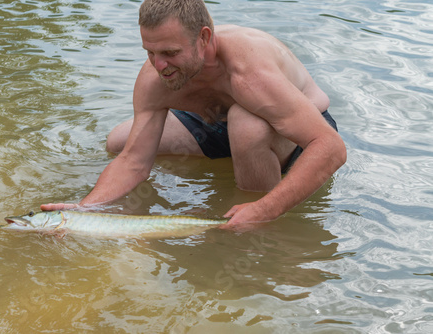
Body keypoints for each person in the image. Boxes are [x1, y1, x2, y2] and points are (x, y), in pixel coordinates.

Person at [41, 0, 346, 230]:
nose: (159, 66)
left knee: (246, 125)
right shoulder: (156, 76)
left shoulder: (249, 73)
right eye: (150, 52)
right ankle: (242, 161)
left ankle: (254, 226)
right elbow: (134, 162)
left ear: (204, 38)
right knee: (119, 141)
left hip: (295, 135)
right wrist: (86, 210)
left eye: (170, 53)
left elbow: (331, 147)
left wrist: (265, 209)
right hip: (217, 125)